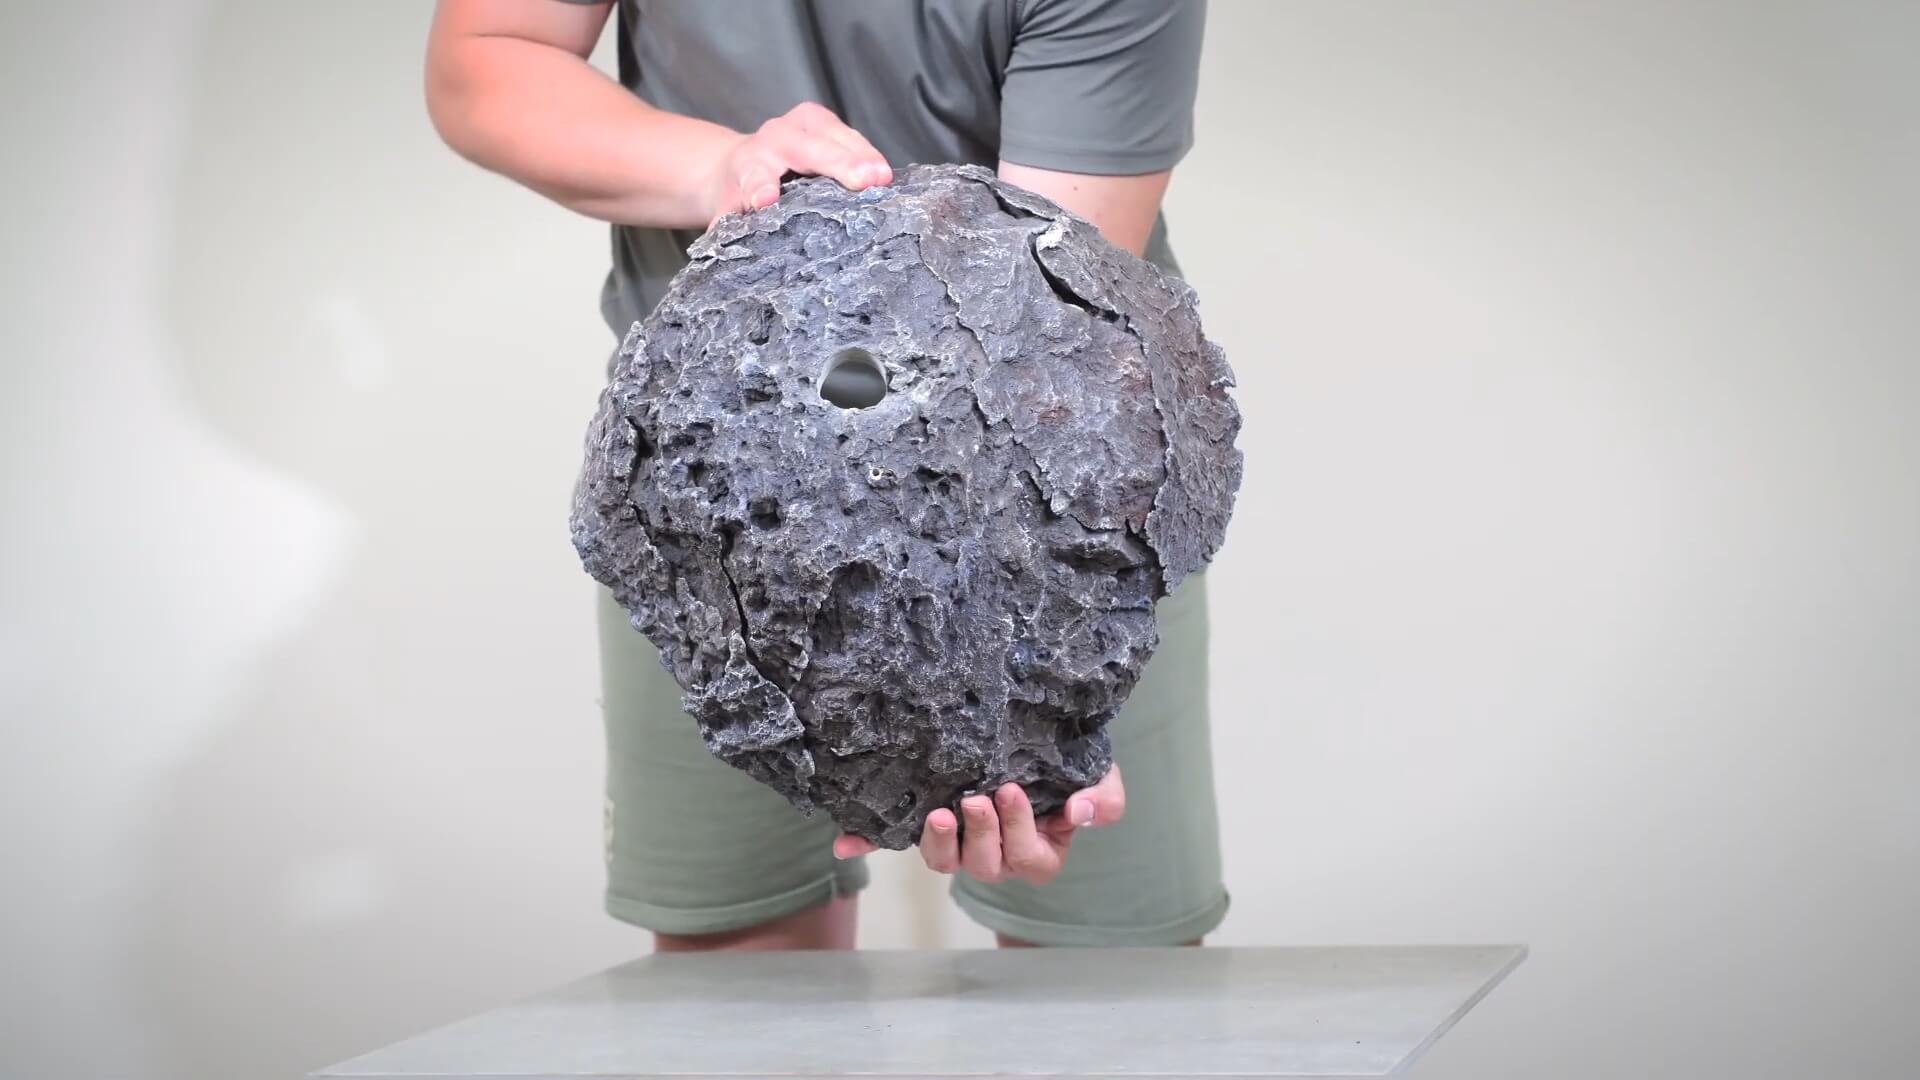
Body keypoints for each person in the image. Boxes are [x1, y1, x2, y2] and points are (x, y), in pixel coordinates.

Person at [425, 0, 1224, 951]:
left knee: (1102, 977)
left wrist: (1036, 684)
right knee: (743, 982)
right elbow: (487, 53)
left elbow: (1044, 327)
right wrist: (718, 169)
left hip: (1066, 499)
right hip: (715, 502)